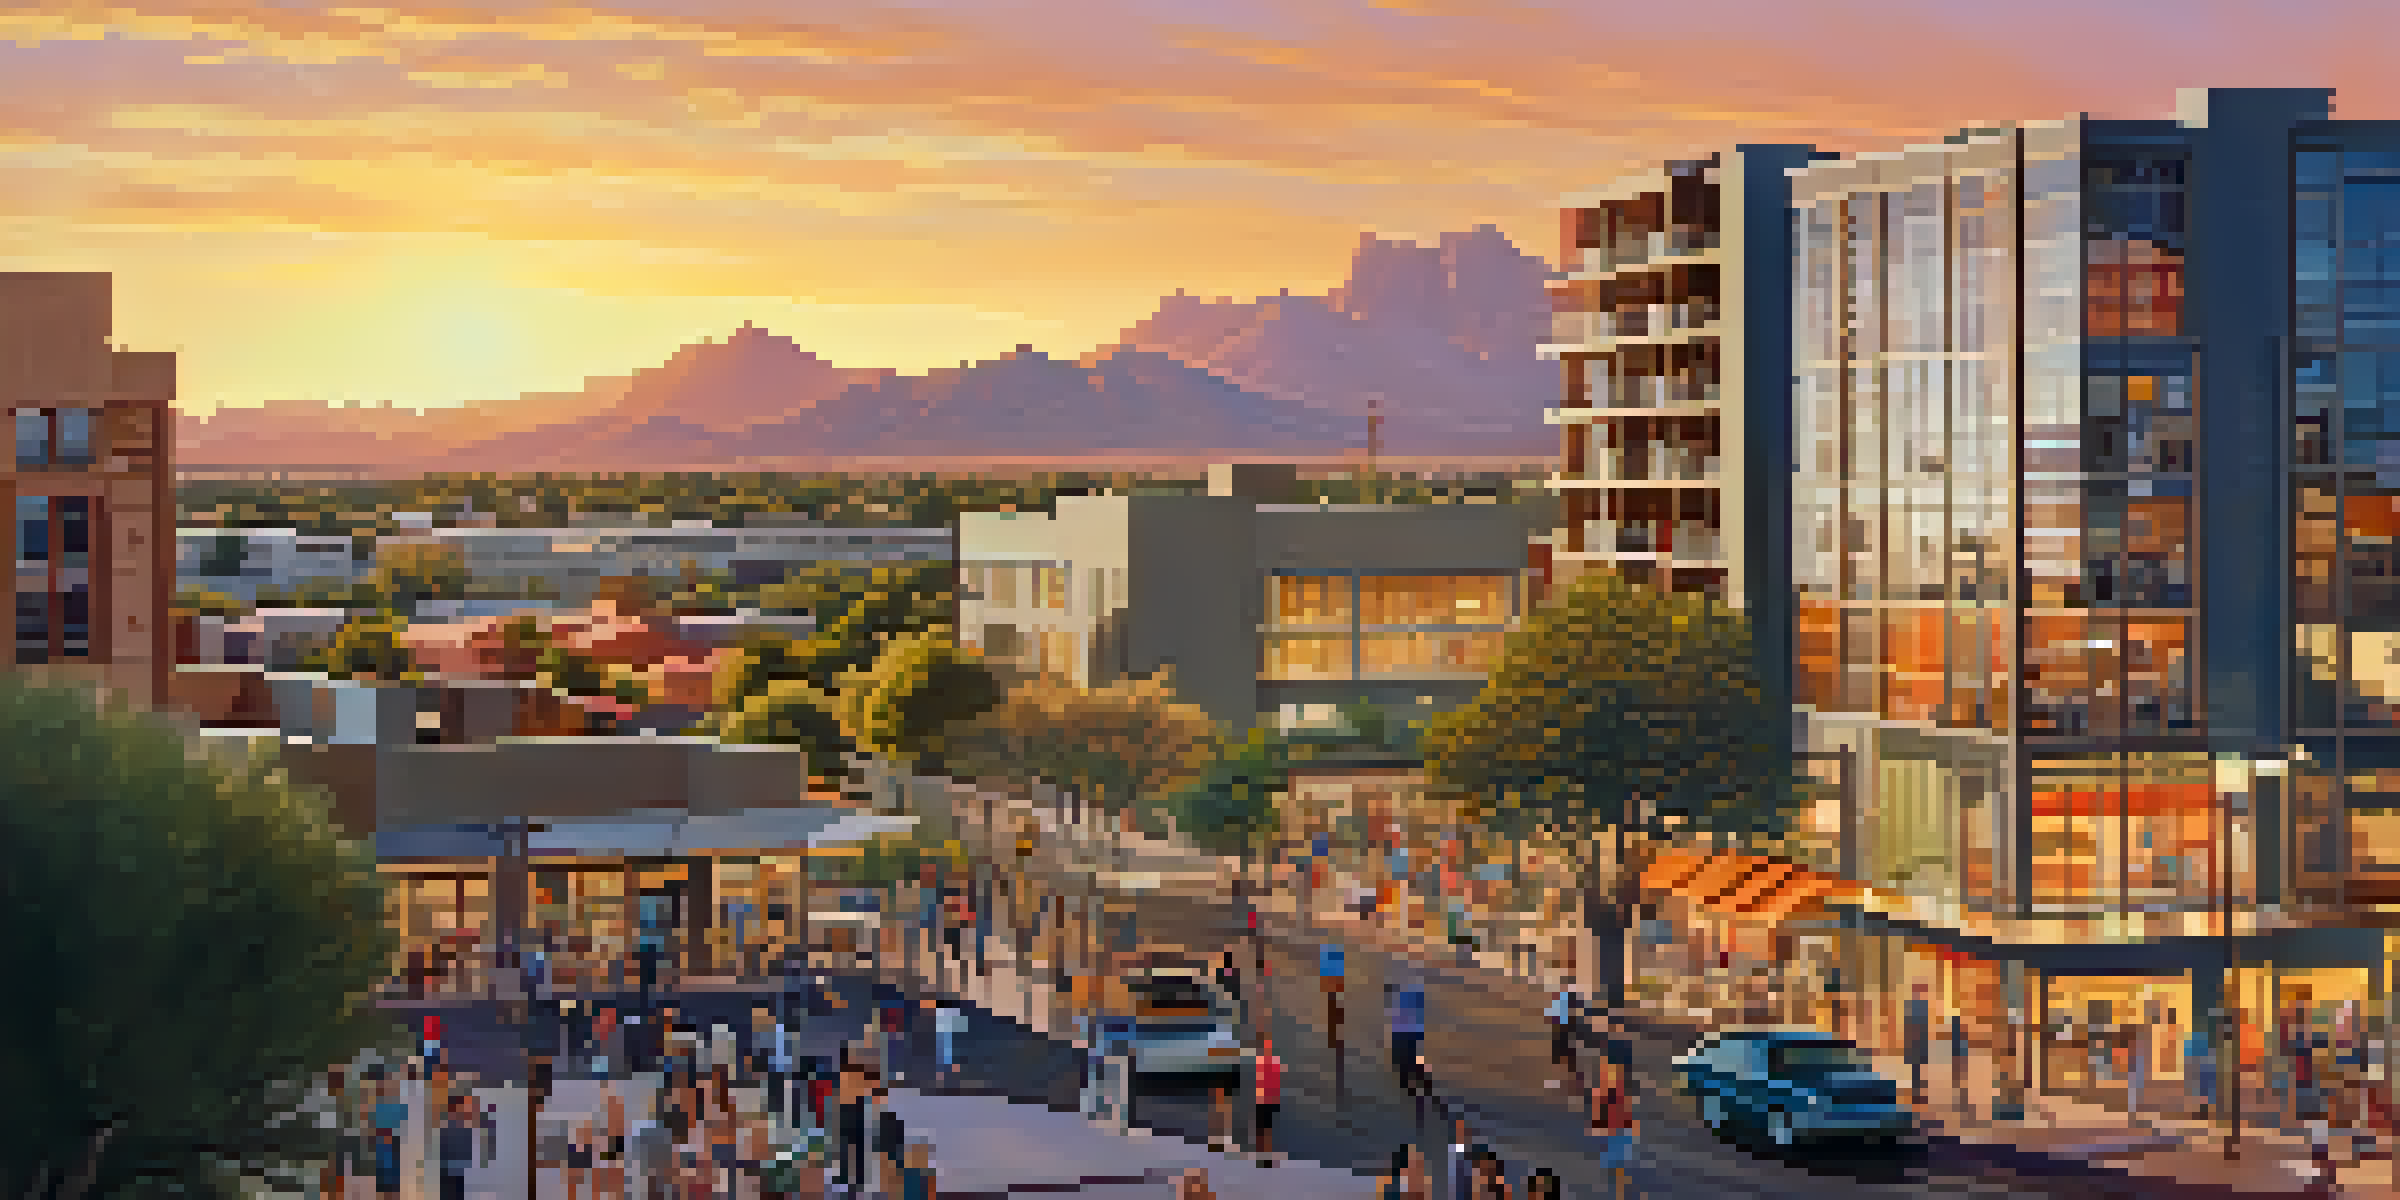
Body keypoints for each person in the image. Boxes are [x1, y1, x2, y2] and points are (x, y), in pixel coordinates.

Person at [1592, 1060, 1639, 1200]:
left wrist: (1633, 1127)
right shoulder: (1600, 1091)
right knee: (1613, 1167)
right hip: (1609, 1131)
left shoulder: (1621, 1090)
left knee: (1621, 1165)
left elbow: (1628, 1109)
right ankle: (1619, 1190)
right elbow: (1597, 1111)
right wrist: (1597, 1128)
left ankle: (1622, 1190)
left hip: (1621, 1130)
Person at [1388, 975, 1429, 1120]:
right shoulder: (1416, 993)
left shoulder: (1408, 993)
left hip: (1404, 1033)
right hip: (1410, 1033)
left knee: (1404, 1066)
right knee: (1409, 1064)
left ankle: (1417, 1094)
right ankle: (1419, 1092)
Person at [437, 1095, 478, 1200]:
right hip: (450, 1166)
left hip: (457, 1166)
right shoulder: (449, 1125)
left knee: (455, 1191)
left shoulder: (462, 1125)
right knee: (451, 1191)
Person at [1253, 1034, 1284, 1158]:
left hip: (1267, 1097)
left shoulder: (1265, 1060)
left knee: (1265, 1125)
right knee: (1265, 1125)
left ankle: (1264, 1150)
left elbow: (1270, 1080)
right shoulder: (1267, 1060)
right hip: (1266, 1097)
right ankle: (1264, 1150)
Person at [1903, 983, 1933, 1104]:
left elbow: (1925, 1027)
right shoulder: (1913, 1006)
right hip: (1916, 1044)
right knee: (1916, 1070)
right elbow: (1909, 1027)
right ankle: (1918, 1095)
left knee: (1919, 1070)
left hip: (1920, 1044)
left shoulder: (1921, 1006)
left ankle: (1919, 1095)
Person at [1547, 987, 1580, 1087]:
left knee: (1568, 1054)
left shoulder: (1573, 996)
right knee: (1560, 1054)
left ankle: (1569, 1079)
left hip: (1567, 1028)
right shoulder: (1558, 997)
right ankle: (1561, 1079)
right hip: (1560, 1028)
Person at [933, 1001, 965, 1086]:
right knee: (945, 1058)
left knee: (946, 1058)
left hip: (946, 1036)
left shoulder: (943, 1014)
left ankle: (944, 1079)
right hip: (946, 1036)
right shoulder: (947, 1014)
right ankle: (945, 1079)